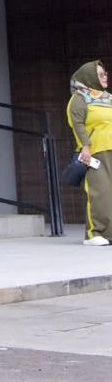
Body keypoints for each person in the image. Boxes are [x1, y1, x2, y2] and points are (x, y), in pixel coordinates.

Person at [67, 60, 112, 246]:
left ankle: (109, 234)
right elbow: (76, 123)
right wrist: (84, 146)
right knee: (100, 192)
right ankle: (95, 233)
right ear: (90, 77)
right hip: (95, 152)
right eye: (101, 74)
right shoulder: (79, 98)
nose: (105, 76)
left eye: (105, 73)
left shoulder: (108, 97)